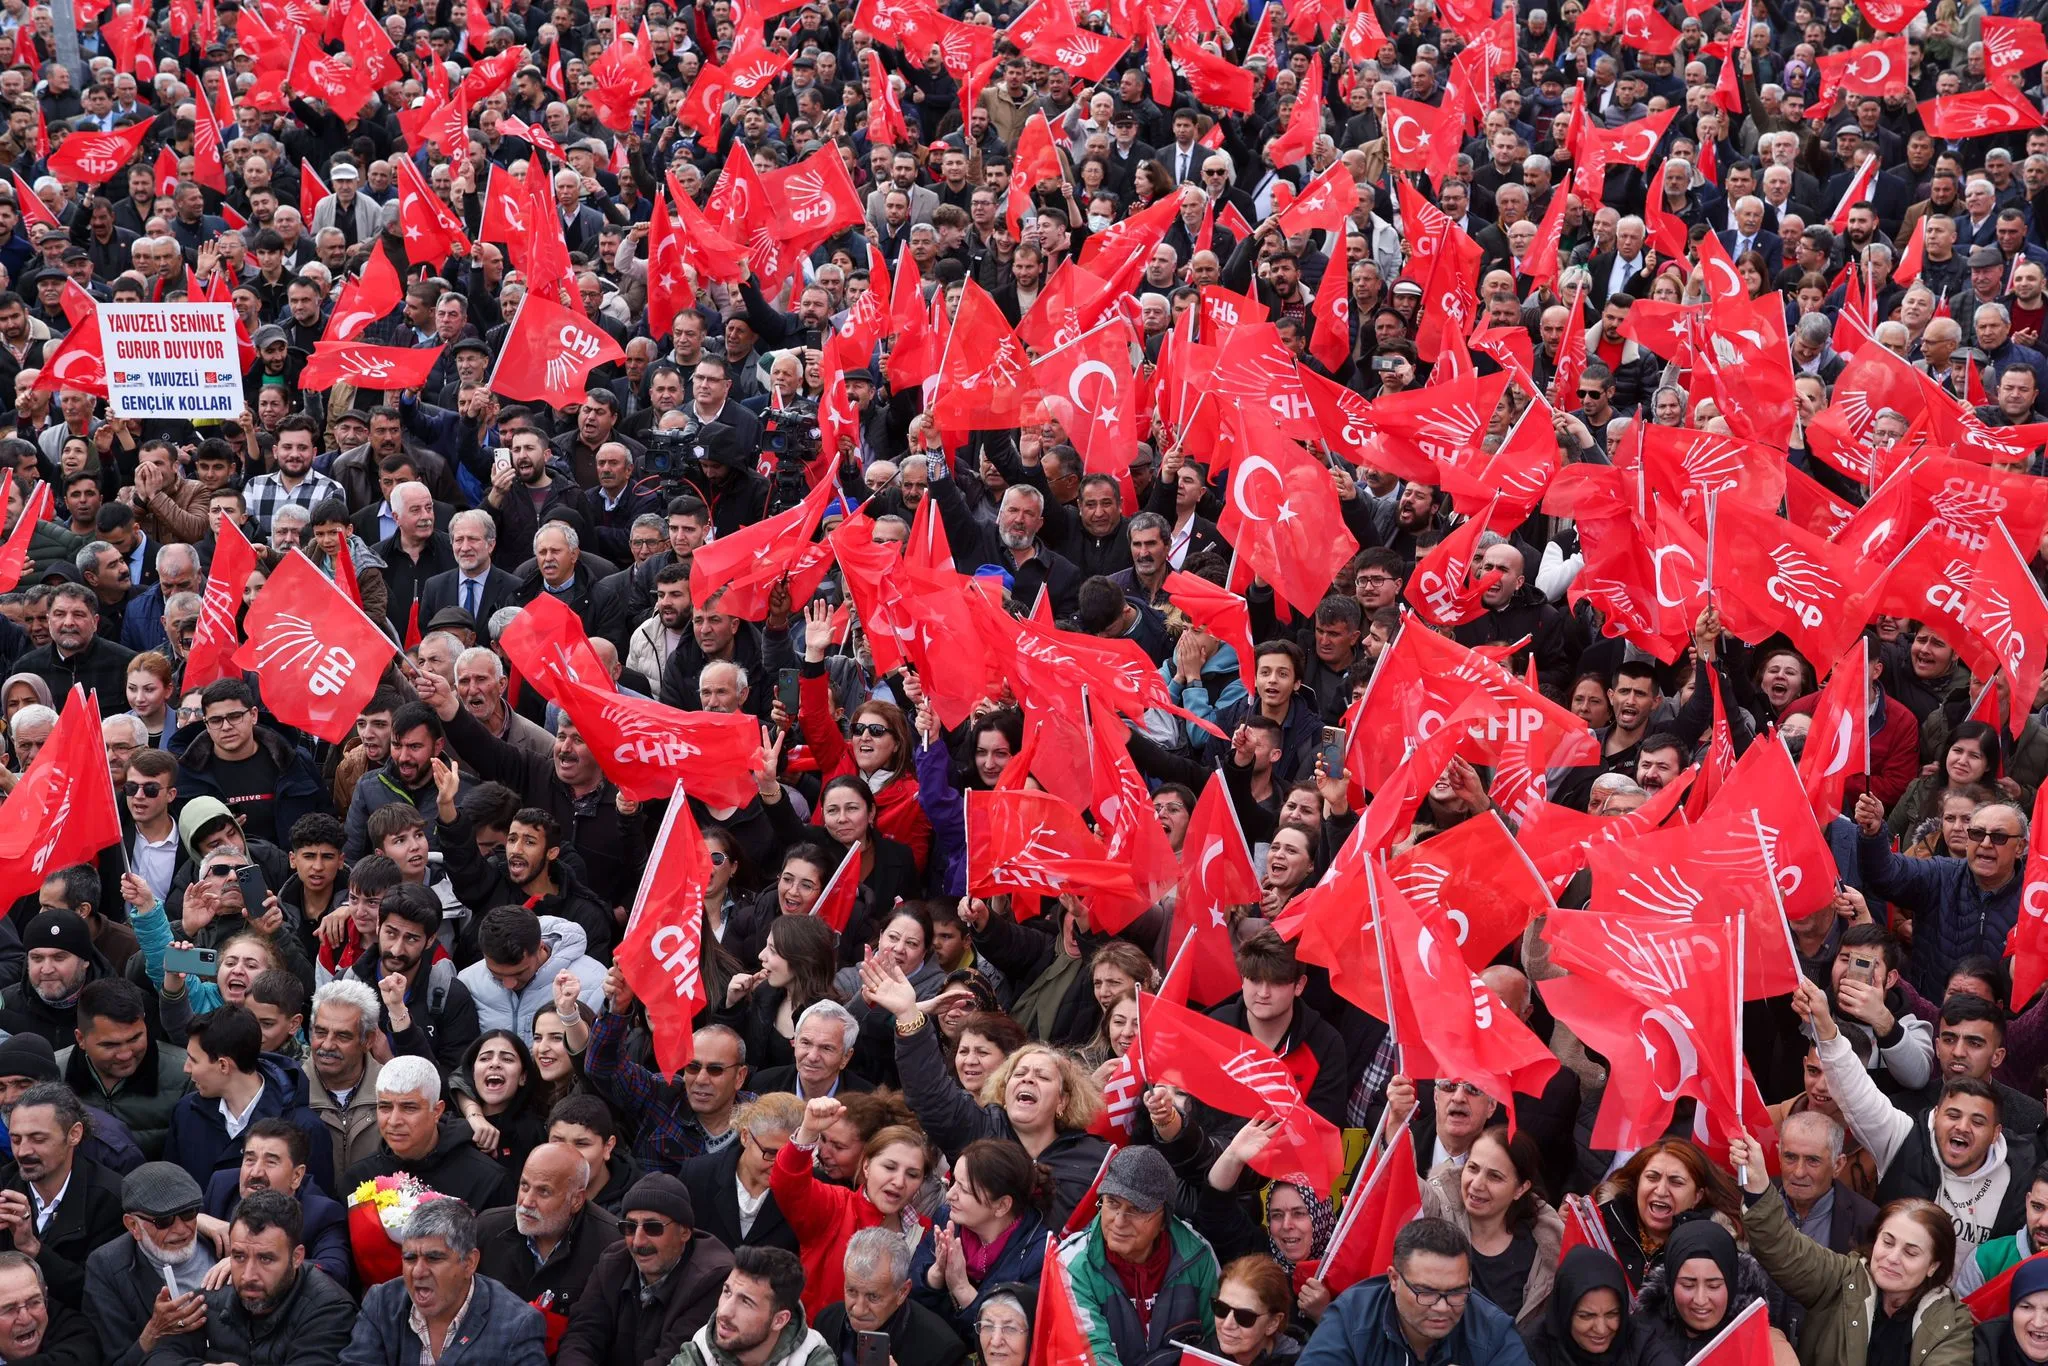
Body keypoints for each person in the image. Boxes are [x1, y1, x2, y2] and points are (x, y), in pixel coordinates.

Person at [1729, 1134, 1971, 1366]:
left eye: (1910, 1252)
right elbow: (1786, 1249)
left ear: (1933, 1266)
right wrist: (1758, 1188)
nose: (1893, 1258)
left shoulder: (1951, 1321)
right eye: (1888, 1242)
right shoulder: (1843, 1278)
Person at [137, 1188, 357, 1366]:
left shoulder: (329, 1310)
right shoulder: (215, 1295)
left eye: (266, 1259)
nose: (248, 1275)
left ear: (297, 1257)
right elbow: (158, 1356)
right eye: (239, 1256)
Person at [338, 1198, 548, 1366]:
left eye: (434, 1258)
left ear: (469, 1263)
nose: (418, 1272)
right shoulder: (381, 1304)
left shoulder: (516, 1324)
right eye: (410, 1258)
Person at [1058, 1145, 1218, 1365]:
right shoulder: (1072, 1264)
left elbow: (1216, 1345)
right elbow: (1093, 1355)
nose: (1120, 1221)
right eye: (1112, 1203)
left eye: (1137, 1209)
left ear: (1165, 1219)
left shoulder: (1198, 1256)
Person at [556, 1173, 736, 1366]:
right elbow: (581, 1336)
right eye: (630, 1227)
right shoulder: (612, 1262)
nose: (638, 1241)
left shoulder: (712, 1279)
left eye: (653, 1227)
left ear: (684, 1232)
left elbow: (674, 1358)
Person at [1295, 1219, 1531, 1366]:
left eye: (1456, 1292)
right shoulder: (1352, 1317)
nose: (1442, 1307)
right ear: (1394, 1279)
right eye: (1426, 1292)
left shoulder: (1493, 1331)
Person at [0, 1083, 125, 1309]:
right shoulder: (3, 1186)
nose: (23, 1151)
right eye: (16, 1139)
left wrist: (32, 1247)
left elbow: (98, 1293)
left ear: (74, 1134)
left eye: (38, 1139)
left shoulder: (110, 1198)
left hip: (82, 1330)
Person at [341, 1056, 513, 1217]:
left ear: (437, 1111)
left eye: (409, 1108)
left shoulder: (487, 1181)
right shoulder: (358, 1179)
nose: (394, 1121)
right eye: (385, 1107)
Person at [82, 1161, 214, 1366]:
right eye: (164, 1221)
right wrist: (154, 1330)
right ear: (132, 1225)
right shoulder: (107, 1267)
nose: (181, 1230)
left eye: (188, 1213)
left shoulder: (224, 1246)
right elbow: (114, 1361)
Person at [474, 1141, 621, 1307]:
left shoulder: (611, 1245)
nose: (527, 1202)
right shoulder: (487, 1229)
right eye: (524, 1186)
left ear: (576, 1200)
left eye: (544, 1191)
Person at [813, 1227, 965, 1366]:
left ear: (903, 1292)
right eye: (851, 1291)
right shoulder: (826, 1321)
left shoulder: (941, 1351)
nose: (858, 1310)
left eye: (872, 1297)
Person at [662, 1246, 834, 1366]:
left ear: (779, 1320)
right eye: (727, 1292)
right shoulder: (702, 1348)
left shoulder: (811, 1356)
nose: (724, 1312)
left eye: (746, 1302)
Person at [678, 1094, 801, 1255]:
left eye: (790, 1155)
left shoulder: (810, 1188)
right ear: (745, 1136)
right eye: (771, 1153)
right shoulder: (698, 1175)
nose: (780, 1165)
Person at [1525, 1247, 1676, 1366]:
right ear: (1564, 1312)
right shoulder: (1532, 1347)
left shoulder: (1638, 1341)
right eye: (1586, 1316)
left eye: (1612, 1314)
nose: (1601, 1329)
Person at [0, 1251, 97, 1366]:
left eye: (34, 1302)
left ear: (45, 1295)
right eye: (9, 1309)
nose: (26, 1319)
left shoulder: (73, 1329)